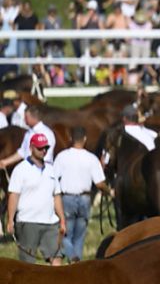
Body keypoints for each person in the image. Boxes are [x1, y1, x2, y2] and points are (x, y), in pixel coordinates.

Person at [5, 133, 65, 265]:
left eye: (46, 148)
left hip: (50, 222)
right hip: (27, 221)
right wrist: (10, 220)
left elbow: (56, 196)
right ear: (31, 147)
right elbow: (13, 195)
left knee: (56, 257)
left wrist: (62, 220)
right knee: (28, 262)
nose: (44, 151)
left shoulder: (51, 169)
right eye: (40, 148)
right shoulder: (20, 170)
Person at [54, 126, 111, 262]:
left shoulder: (62, 156)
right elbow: (99, 183)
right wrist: (109, 191)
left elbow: (54, 178)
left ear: (70, 139)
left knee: (66, 235)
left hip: (67, 198)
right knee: (80, 235)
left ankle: (72, 256)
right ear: (85, 139)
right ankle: (76, 260)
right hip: (85, 199)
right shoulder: (91, 158)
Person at [0, 105, 56, 169]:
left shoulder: (46, 133)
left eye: (26, 117)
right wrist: (5, 162)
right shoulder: (29, 133)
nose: (24, 119)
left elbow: (45, 157)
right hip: (29, 169)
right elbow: (22, 152)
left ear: (33, 117)